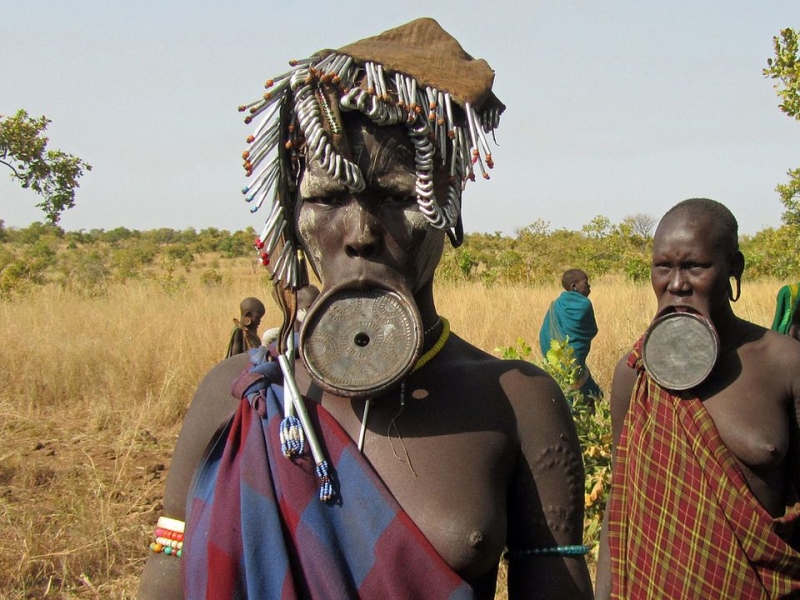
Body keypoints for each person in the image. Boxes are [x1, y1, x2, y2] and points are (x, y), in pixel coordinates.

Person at [138, 18, 592, 600]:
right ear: (288, 217)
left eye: (399, 196)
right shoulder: (234, 397)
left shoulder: (518, 401)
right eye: (328, 197)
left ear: (450, 206)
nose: (361, 233)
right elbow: (167, 580)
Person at [595, 198, 800, 599]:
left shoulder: (785, 364)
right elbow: (619, 507)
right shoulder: (635, 373)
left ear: (734, 267)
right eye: (663, 267)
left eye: (695, 267)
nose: (676, 284)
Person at [539, 269, 601, 401]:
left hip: (554, 358)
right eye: (586, 283)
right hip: (574, 359)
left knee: (565, 384)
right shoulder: (584, 304)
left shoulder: (556, 304)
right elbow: (591, 330)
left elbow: (544, 332)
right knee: (589, 394)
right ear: (574, 286)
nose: (589, 286)